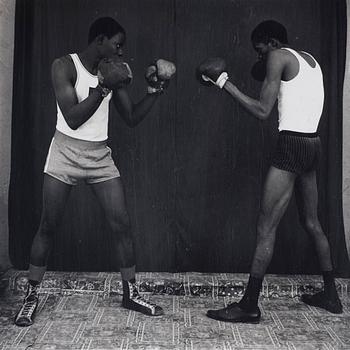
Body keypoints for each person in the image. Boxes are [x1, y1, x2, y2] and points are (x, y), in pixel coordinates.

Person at [14, 17, 175, 327]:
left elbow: (130, 117)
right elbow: (73, 118)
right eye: (116, 44)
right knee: (48, 224)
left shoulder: (113, 71)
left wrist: (155, 92)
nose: (120, 51)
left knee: (122, 224)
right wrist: (102, 88)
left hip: (99, 155)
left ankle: (131, 292)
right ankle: (31, 296)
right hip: (65, 152)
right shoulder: (64, 66)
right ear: (100, 40)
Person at [198, 20, 343, 323]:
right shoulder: (311, 61)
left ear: (272, 42)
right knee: (312, 221)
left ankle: (249, 305)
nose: (261, 58)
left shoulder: (278, 56)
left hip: (291, 144)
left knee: (266, 227)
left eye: (260, 50)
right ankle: (331, 294)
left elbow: (263, 111)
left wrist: (223, 82)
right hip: (312, 144)